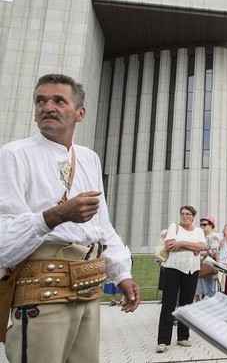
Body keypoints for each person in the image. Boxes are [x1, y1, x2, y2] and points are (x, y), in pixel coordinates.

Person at [0, 73, 140, 363]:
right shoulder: (14, 155)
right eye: (41, 100)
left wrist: (122, 274)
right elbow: (3, 239)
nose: (47, 106)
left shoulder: (89, 158)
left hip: (89, 289)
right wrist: (54, 216)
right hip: (43, 289)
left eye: (58, 100)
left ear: (80, 113)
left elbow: (102, 226)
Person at [156, 205, 205, 353]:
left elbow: (202, 246)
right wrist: (193, 248)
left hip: (192, 269)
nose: (185, 216)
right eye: (182, 213)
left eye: (188, 214)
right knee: (168, 303)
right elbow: (170, 245)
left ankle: (183, 337)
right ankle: (163, 340)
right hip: (173, 268)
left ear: (193, 217)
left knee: (187, 304)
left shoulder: (199, 231)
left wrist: (182, 243)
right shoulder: (174, 227)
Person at [195, 216, 220, 301]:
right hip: (202, 266)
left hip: (209, 266)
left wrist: (199, 252)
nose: (202, 226)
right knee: (205, 291)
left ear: (211, 225)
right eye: (201, 225)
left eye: (204, 224)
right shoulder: (204, 236)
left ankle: (211, 310)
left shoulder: (213, 236)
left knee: (209, 292)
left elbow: (214, 251)